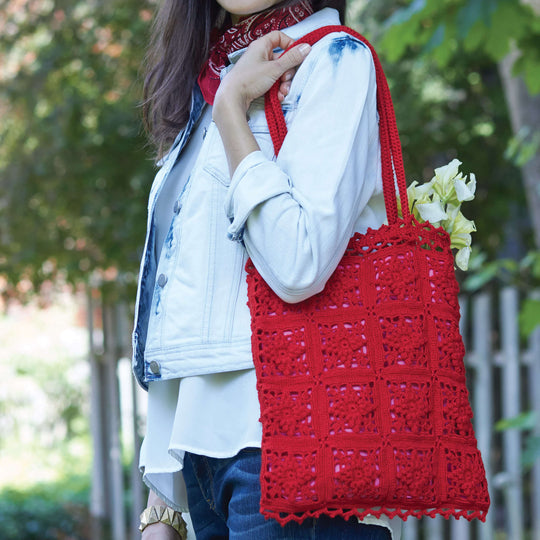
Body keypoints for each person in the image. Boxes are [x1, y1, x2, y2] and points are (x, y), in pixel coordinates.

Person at [133, 1, 401, 538]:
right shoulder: (212, 74)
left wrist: (235, 108)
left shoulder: (332, 59)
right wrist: (161, 497)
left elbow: (299, 262)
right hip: (203, 458)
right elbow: (179, 303)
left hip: (289, 445)